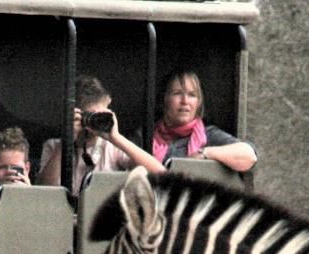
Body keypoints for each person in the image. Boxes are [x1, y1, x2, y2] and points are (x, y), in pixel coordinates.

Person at [102, 68, 257, 175]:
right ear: (164, 100)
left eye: (192, 95)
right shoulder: (144, 136)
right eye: (177, 93)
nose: (185, 101)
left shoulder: (209, 136)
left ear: (199, 103)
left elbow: (249, 156)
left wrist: (205, 154)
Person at [37, 74, 130, 191]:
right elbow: (45, 189)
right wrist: (66, 141)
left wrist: (116, 137)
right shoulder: (53, 146)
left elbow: (156, 173)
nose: (96, 121)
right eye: (91, 116)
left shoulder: (112, 148)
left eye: (101, 115)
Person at [0, 127, 33, 194]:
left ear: (27, 169)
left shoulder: (40, 201)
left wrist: (30, 193)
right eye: (1, 167)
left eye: (15, 168)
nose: (9, 172)